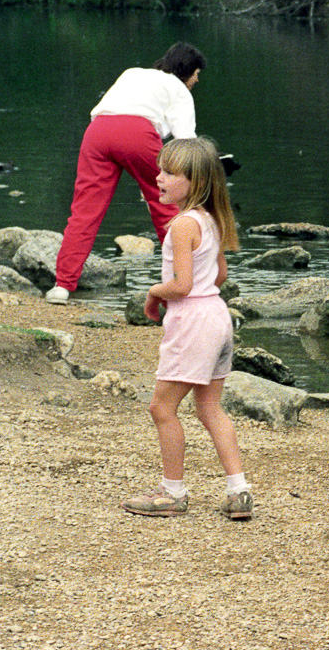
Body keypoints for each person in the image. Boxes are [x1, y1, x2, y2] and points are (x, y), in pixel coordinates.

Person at [120, 137, 252, 521]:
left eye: (169, 172)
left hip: (193, 320)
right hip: (218, 317)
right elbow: (221, 275)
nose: (158, 177)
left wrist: (152, 292)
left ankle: (172, 492)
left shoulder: (181, 224)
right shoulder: (212, 219)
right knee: (210, 407)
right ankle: (238, 490)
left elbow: (181, 286)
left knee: (162, 407)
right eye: (160, 169)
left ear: (195, 182)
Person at [46, 42, 206, 304]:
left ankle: (62, 286)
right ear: (188, 71)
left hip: (97, 133)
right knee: (166, 206)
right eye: (197, 75)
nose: (196, 81)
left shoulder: (132, 73)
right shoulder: (179, 90)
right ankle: (182, 283)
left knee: (84, 213)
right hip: (137, 134)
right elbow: (185, 141)